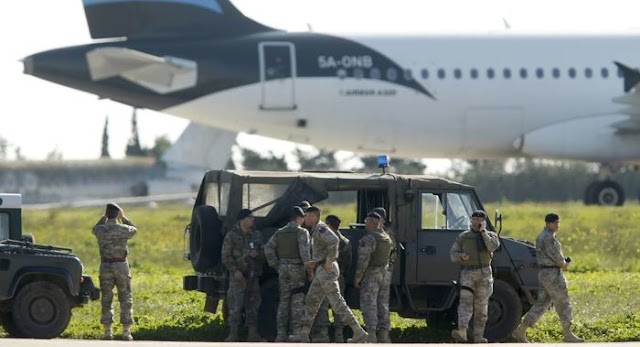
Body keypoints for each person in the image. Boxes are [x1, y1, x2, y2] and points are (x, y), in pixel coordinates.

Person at [288, 206, 369, 343]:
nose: (305, 219)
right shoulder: (315, 230)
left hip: (327, 272)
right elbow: (324, 249)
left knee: (337, 303)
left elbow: (334, 241)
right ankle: (303, 334)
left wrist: (329, 261)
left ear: (313, 216)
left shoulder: (321, 228)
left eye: (307, 216)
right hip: (321, 271)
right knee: (311, 301)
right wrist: (317, 262)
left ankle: (359, 331)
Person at [512, 213, 583, 343]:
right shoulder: (548, 237)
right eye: (555, 222)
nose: (557, 225)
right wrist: (564, 264)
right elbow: (555, 256)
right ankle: (568, 334)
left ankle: (521, 330)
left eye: (558, 222)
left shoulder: (544, 236)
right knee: (563, 302)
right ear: (548, 223)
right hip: (552, 274)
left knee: (541, 304)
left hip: (545, 273)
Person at [449, 210, 500, 343]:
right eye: (475, 219)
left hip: (484, 274)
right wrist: (461, 256)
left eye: (480, 219)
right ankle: (462, 332)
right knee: (465, 304)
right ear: (471, 220)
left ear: (484, 221)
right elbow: (453, 254)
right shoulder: (463, 236)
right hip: (468, 274)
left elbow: (493, 247)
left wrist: (483, 232)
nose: (477, 221)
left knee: (482, 307)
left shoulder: (491, 236)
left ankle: (478, 336)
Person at [264, 206, 312, 342]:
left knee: (283, 301)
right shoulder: (302, 232)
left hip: (283, 269)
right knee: (297, 300)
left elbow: (268, 248)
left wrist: (276, 265)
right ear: (299, 218)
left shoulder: (280, 232)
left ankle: (280, 334)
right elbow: (305, 254)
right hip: (297, 269)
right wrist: (309, 270)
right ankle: (296, 333)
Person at [92, 202, 137, 341]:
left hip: (105, 266)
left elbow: (94, 229)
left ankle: (107, 332)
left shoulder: (100, 229)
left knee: (106, 299)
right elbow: (134, 229)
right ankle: (126, 332)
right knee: (125, 298)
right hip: (121, 265)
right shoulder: (123, 229)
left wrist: (103, 218)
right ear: (117, 214)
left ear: (107, 214)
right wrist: (123, 218)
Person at [221, 208, 266, 342]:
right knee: (235, 306)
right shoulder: (232, 235)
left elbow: (263, 253)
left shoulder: (256, 235)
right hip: (238, 277)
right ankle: (233, 335)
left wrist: (257, 255)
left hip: (253, 276)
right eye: (250, 217)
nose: (253, 219)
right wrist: (235, 271)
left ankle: (252, 335)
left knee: (253, 306)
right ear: (242, 219)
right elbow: (226, 256)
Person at [354, 211, 393, 343]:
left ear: (372, 222)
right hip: (384, 273)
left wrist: (358, 278)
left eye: (366, 221)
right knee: (383, 305)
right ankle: (384, 335)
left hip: (371, 274)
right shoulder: (387, 238)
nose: (365, 224)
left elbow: (363, 261)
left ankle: (371, 335)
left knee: (369, 304)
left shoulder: (369, 239)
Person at [325, 214, 351, 343]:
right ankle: (339, 335)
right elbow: (348, 262)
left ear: (329, 225)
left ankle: (323, 335)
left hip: (325, 277)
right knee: (339, 306)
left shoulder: (326, 241)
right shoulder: (346, 241)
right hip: (339, 277)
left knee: (322, 305)